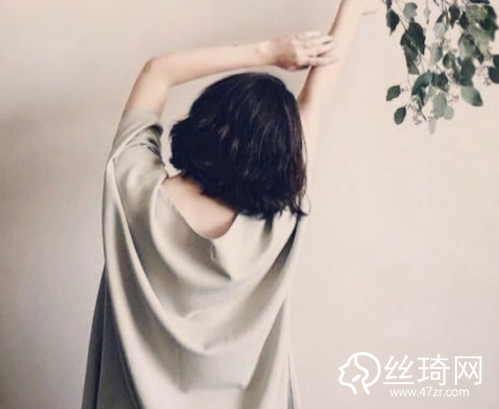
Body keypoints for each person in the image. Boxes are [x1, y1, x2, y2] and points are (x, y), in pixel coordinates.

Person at [81, 0, 379, 408]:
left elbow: (158, 72)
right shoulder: (278, 220)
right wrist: (352, 10)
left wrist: (268, 52)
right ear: (283, 156)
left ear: (206, 119)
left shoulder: (134, 193)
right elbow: (314, 102)